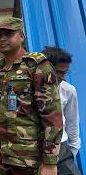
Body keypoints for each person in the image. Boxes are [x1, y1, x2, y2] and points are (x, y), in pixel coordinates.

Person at [0, 18, 63, 175]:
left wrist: (50, 162)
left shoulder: (37, 66)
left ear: (21, 37)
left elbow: (52, 116)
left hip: (29, 158)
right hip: (3, 155)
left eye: (8, 34)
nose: (2, 38)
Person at [42, 46, 81, 175]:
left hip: (62, 148)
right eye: (59, 72)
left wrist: (72, 150)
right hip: (35, 149)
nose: (63, 77)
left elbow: (72, 121)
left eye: (65, 73)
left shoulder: (68, 90)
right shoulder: (29, 90)